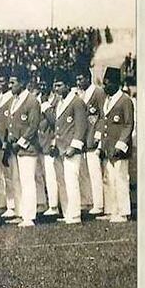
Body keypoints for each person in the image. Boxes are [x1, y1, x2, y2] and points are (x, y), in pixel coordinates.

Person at [3, 65, 41, 228]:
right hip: (15, 148)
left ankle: (29, 216)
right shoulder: (14, 100)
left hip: (27, 148)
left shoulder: (31, 101)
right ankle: (20, 212)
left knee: (27, 181)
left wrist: (21, 142)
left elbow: (33, 126)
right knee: (17, 181)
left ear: (23, 82)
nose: (10, 86)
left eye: (13, 82)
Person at [96, 66, 134, 223]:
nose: (105, 86)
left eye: (108, 83)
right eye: (104, 83)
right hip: (107, 147)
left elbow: (128, 124)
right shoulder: (107, 100)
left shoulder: (125, 100)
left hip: (119, 148)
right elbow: (104, 123)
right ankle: (111, 209)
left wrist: (120, 145)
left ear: (116, 83)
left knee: (120, 179)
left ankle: (123, 211)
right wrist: (101, 146)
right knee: (108, 179)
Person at [51, 69, 87, 225]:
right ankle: (67, 212)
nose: (56, 88)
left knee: (72, 181)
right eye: (55, 85)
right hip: (60, 148)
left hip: (71, 149)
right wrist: (54, 144)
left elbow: (81, 126)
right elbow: (58, 127)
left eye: (59, 85)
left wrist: (75, 146)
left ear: (67, 85)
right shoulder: (60, 102)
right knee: (63, 182)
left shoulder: (77, 101)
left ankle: (75, 214)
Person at [75, 65, 106, 216]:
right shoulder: (80, 95)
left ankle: (99, 204)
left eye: (81, 79)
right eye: (77, 79)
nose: (79, 82)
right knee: (84, 172)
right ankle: (88, 200)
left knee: (95, 172)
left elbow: (102, 115)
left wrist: (98, 136)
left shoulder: (98, 92)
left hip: (94, 137)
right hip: (83, 139)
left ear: (88, 78)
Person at [0, 68, 15, 218]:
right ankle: (1, 203)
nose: (0, 84)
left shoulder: (11, 98)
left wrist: (6, 142)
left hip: (5, 142)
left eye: (2, 81)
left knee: (8, 175)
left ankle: (12, 204)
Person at [36, 69, 60, 217]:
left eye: (45, 84)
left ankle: (54, 205)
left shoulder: (56, 100)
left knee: (51, 177)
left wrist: (45, 105)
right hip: (37, 144)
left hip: (49, 143)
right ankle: (41, 202)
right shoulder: (36, 98)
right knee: (38, 175)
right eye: (40, 84)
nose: (42, 87)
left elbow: (55, 122)